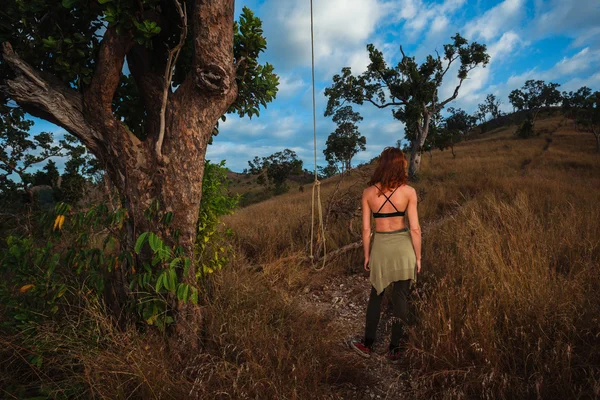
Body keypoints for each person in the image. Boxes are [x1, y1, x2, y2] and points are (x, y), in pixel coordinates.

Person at [349, 147, 422, 364]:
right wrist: (417, 257)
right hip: (403, 247)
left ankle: (367, 344)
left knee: (376, 295)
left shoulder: (368, 193)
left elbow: (365, 229)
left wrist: (366, 254)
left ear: (381, 164)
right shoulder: (409, 192)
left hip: (380, 247)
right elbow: (415, 228)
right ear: (401, 165)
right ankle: (395, 349)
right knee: (400, 297)